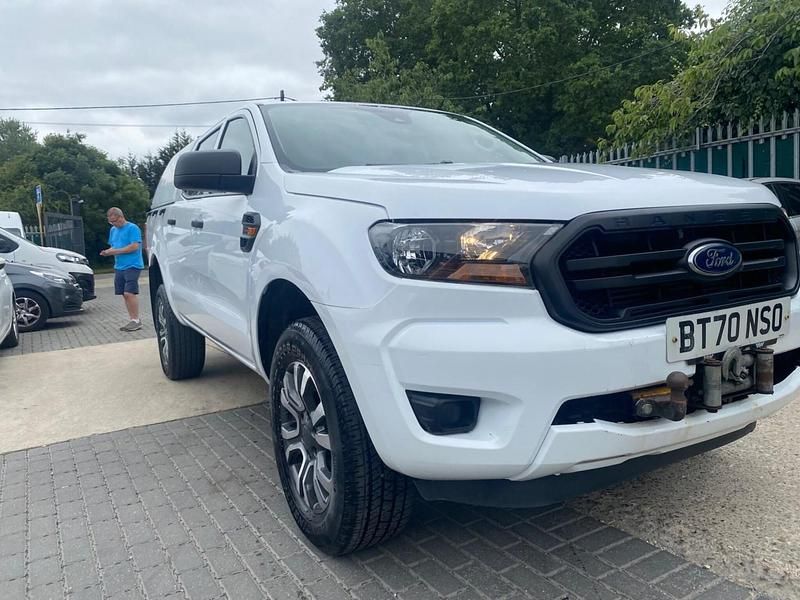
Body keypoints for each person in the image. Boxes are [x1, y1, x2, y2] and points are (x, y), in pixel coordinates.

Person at [100, 207, 144, 332]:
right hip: (119, 266)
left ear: (121, 217)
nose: (113, 224)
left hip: (133, 264)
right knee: (124, 294)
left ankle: (136, 320)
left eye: (114, 221)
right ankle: (132, 319)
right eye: (110, 222)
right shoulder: (113, 230)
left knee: (129, 293)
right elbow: (114, 245)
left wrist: (115, 251)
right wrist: (107, 251)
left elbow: (134, 247)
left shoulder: (132, 228)